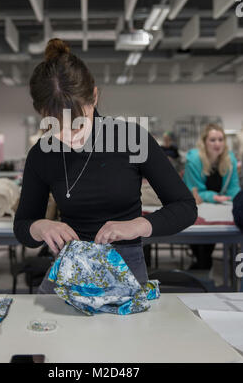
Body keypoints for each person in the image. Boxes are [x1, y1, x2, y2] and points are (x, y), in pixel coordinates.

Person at [13, 38, 197, 294]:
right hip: (69, 268)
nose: (70, 136)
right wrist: (40, 226)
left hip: (126, 266)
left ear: (95, 97)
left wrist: (138, 225)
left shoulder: (131, 139)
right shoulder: (41, 154)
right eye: (57, 126)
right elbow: (22, 225)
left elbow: (185, 208)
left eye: (79, 123)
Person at [183, 123, 241, 270]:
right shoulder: (194, 161)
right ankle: (201, 265)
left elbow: (234, 187)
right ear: (204, 142)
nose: (218, 144)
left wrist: (235, 199)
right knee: (199, 242)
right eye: (213, 140)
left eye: (221, 139)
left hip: (218, 208)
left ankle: (203, 265)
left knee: (210, 244)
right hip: (195, 205)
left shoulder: (230, 160)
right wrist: (214, 197)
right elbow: (193, 190)